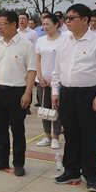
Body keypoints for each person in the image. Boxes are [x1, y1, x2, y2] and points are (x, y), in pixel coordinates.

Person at [51, 4, 96, 192]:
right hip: (67, 93)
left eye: (72, 18)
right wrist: (56, 91)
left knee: (89, 136)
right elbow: (57, 68)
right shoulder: (63, 40)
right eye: (66, 17)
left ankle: (92, 176)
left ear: (85, 20)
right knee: (70, 134)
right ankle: (71, 170)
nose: (67, 21)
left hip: (89, 95)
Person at [0, 11, 36, 176]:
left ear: (13, 25)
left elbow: (31, 71)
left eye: (2, 24)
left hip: (17, 92)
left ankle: (19, 163)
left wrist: (27, 93)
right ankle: (2, 159)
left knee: (17, 130)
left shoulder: (26, 45)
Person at [34, 14, 63, 149]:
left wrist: (54, 79)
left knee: (56, 109)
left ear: (56, 24)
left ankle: (56, 137)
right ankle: (47, 136)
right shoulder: (41, 40)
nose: (45, 27)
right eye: (43, 24)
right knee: (44, 109)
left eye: (48, 24)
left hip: (57, 80)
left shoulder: (63, 40)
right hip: (42, 80)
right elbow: (38, 59)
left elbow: (64, 61)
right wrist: (39, 75)